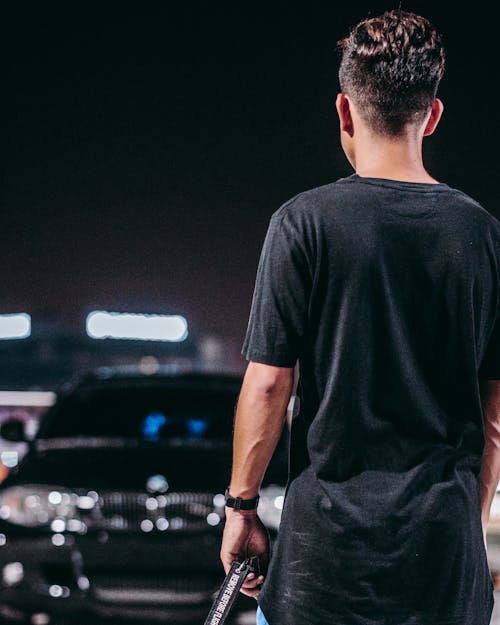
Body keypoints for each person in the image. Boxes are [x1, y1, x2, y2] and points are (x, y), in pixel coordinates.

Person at [220, 9, 500, 625]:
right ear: (432, 114)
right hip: (445, 572)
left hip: (325, 570)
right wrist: (462, 524)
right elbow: (494, 414)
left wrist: (240, 507)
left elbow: (268, 384)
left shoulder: (302, 224)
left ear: (344, 112)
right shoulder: (484, 236)